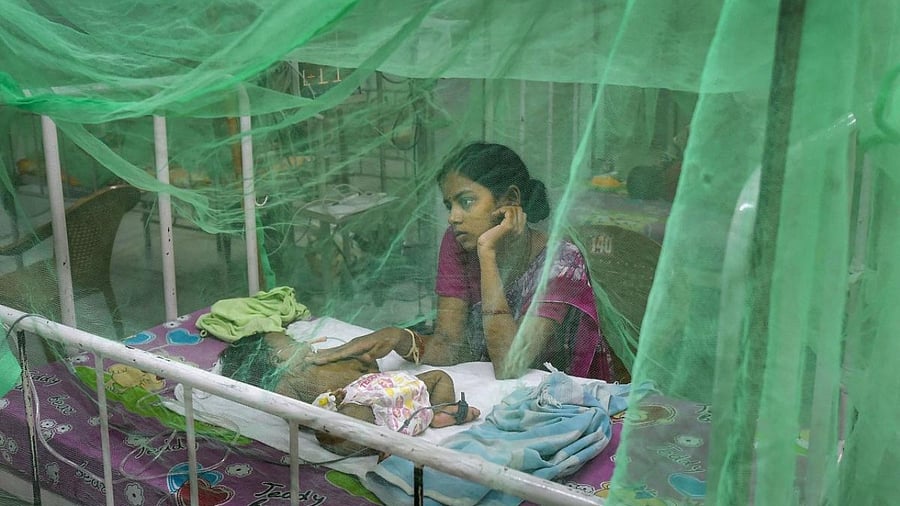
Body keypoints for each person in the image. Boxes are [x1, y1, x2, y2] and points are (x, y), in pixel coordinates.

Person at [311, 142, 617, 380]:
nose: (453, 217)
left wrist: (487, 255)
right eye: (449, 205)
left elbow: (509, 365)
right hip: (492, 389)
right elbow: (450, 345)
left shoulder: (561, 263)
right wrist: (399, 338)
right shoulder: (457, 243)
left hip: (559, 397)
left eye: (466, 201)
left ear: (510, 200)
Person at [217, 331, 480, 456]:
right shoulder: (285, 382)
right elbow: (298, 417)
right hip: (358, 404)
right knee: (341, 429)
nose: (300, 342)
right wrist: (327, 406)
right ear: (274, 360)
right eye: (290, 342)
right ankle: (389, 440)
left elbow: (365, 362)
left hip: (388, 388)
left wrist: (364, 358)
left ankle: (437, 411)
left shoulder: (320, 356)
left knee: (439, 377)